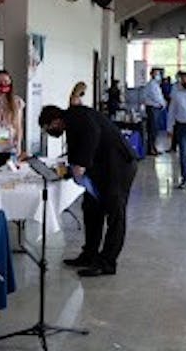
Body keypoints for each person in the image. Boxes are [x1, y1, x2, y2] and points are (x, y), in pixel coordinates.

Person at [40, 104, 138, 277]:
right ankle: (89, 254)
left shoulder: (77, 117)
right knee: (91, 210)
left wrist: (81, 164)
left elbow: (92, 134)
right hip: (102, 169)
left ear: (55, 121)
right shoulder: (71, 121)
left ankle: (107, 262)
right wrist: (70, 168)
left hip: (119, 166)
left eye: (49, 128)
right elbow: (76, 150)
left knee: (115, 213)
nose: (50, 132)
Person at [141, 69, 166, 156]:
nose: (158, 75)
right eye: (156, 74)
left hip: (155, 108)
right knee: (153, 129)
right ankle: (151, 148)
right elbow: (157, 97)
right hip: (153, 109)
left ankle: (153, 147)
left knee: (154, 129)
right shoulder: (152, 85)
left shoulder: (155, 84)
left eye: (158, 74)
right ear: (152, 74)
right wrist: (163, 104)